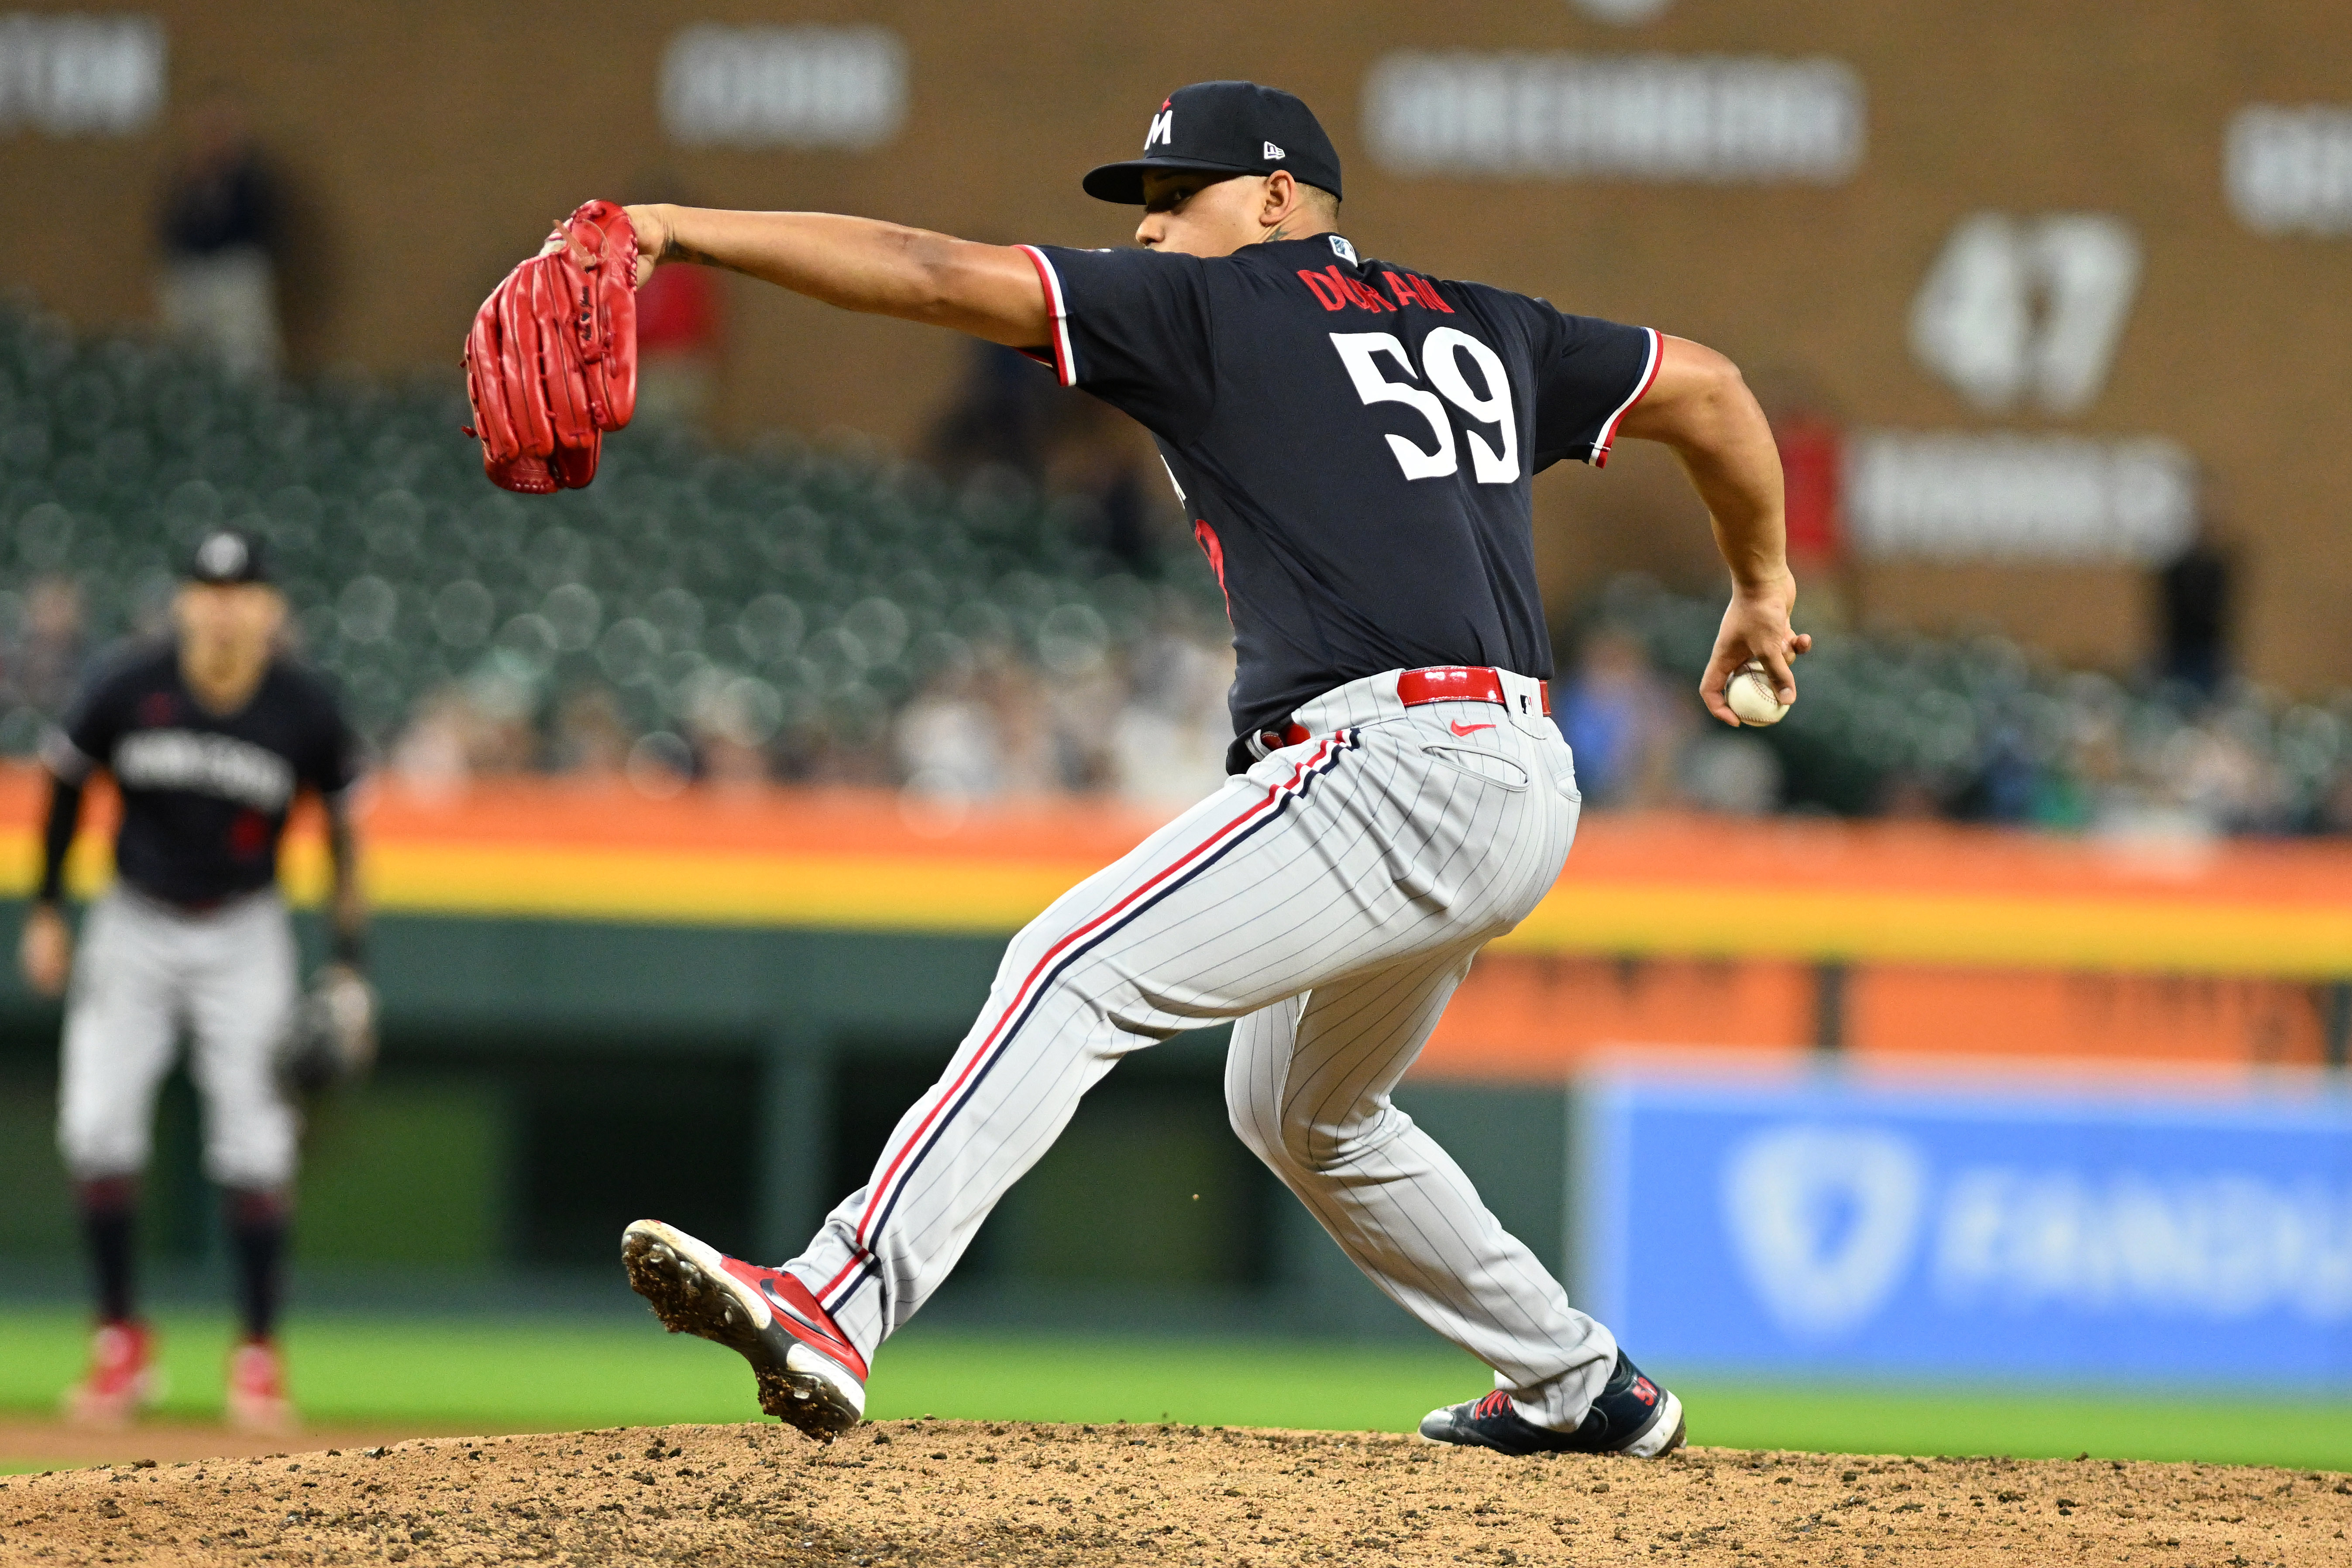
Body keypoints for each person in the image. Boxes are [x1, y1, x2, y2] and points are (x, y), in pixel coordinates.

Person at [606, 80, 1806, 1458]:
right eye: (1147, 211)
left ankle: (834, 1295)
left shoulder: (1211, 307)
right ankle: (1575, 1382)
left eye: (1181, 198)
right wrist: (1759, 586)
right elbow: (1708, 387)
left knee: (1073, 966)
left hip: (1394, 762)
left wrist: (679, 229)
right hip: (1519, 782)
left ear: (1281, 198)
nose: (1158, 229)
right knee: (1300, 1111)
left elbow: (936, 275)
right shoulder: (1489, 321)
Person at [20, 529, 368, 1432]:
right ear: (184, 601)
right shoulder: (127, 683)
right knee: (97, 1130)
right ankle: (120, 1343)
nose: (222, 605)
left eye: (241, 589)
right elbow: (63, 786)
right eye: (207, 589)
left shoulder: (304, 707)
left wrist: (349, 964)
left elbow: (342, 837)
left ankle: (257, 1355)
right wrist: (49, 907)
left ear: (269, 608)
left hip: (245, 931)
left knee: (256, 1148)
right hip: (131, 920)